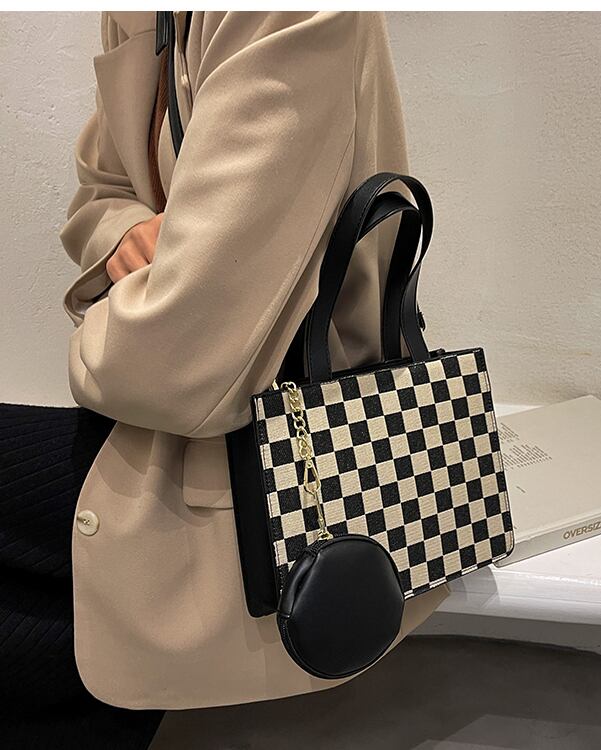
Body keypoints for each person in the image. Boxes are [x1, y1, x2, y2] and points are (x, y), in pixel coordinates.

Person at [58, 10, 447, 717]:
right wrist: (128, 237)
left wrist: (104, 336)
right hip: (185, 426)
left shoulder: (290, 16)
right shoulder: (137, 13)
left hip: (279, 456)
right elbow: (98, 193)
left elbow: (170, 368)